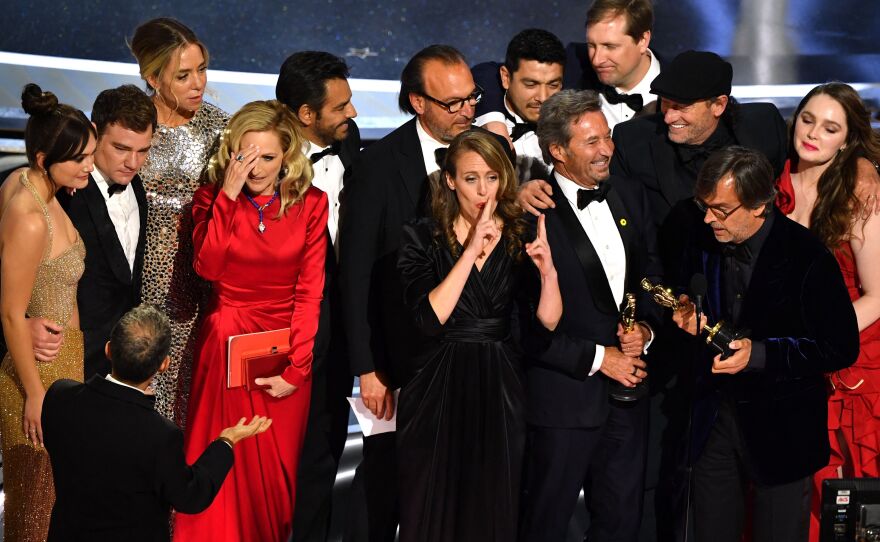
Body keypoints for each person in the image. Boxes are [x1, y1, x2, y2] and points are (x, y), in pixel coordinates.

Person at [338, 44, 509, 542]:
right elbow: (356, 275)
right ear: (418, 102)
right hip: (402, 363)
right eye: (451, 103)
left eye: (471, 99)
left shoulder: (486, 157)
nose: (466, 111)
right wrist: (367, 368)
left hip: (474, 366)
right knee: (391, 488)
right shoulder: (378, 165)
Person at [671, 146, 859, 542]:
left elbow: (839, 346)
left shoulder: (807, 255)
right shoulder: (700, 237)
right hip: (713, 422)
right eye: (705, 206)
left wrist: (758, 354)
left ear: (758, 206)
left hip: (783, 433)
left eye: (720, 209)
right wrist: (693, 320)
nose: (708, 218)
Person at [396, 129, 561, 541]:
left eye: (492, 177)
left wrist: (548, 273)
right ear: (450, 180)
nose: (483, 190)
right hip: (437, 381)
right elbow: (428, 320)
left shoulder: (522, 234)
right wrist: (469, 251)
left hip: (501, 382)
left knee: (494, 501)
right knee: (431, 499)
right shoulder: (422, 236)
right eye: (471, 178)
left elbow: (549, 322)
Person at [173, 100, 326, 542]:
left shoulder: (312, 204)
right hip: (225, 347)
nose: (256, 167)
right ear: (230, 153)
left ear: (288, 157)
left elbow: (310, 291)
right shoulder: (210, 198)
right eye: (246, 156)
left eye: (268, 157)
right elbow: (209, 268)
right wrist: (228, 196)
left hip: (286, 355)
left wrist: (297, 369)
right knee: (217, 469)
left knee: (274, 485)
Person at [518, 89, 662, 542]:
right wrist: (603, 359)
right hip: (562, 401)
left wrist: (645, 329)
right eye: (591, 143)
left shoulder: (629, 195)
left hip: (627, 397)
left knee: (621, 521)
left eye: (607, 138)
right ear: (557, 152)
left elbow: (652, 276)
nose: (606, 151)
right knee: (545, 522)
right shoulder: (530, 216)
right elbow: (525, 326)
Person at [42, 305, 272, 542]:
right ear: (164, 364)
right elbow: (190, 496)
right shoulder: (161, 435)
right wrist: (226, 441)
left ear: (109, 349)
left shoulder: (59, 396)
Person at [771, 82, 880, 541]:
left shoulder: (860, 192)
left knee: (842, 498)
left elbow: (877, 295)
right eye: (808, 119)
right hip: (781, 360)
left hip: (847, 359)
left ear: (848, 140)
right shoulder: (770, 183)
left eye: (830, 128)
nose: (813, 133)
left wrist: (817, 340)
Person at [0, 83, 95, 542]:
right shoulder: (30, 213)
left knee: (56, 506)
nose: (89, 167)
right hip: (37, 375)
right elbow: (9, 312)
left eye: (91, 155)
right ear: (43, 159)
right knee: (34, 514)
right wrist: (35, 395)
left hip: (66, 366)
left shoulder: (24, 181)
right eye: (79, 159)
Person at [275, 50, 360, 542]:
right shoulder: (263, 160)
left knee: (324, 451)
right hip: (280, 334)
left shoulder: (351, 149)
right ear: (306, 115)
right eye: (341, 106)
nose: (352, 113)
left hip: (337, 333)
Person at [129, 17, 229, 424]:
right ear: (152, 78)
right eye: (183, 75)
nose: (198, 84)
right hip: (133, 287)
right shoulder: (130, 122)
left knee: (188, 404)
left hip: (196, 289)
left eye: (202, 70)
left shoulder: (220, 128)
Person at [57, 84, 154, 379]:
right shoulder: (63, 194)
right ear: (95, 132)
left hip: (119, 370)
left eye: (143, 151)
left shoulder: (137, 187)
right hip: (68, 361)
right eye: (121, 149)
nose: (133, 163)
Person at [473, 28, 565, 182]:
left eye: (553, 85)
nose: (543, 98)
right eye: (531, 84)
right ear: (506, 77)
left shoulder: (571, 124)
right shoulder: (470, 123)